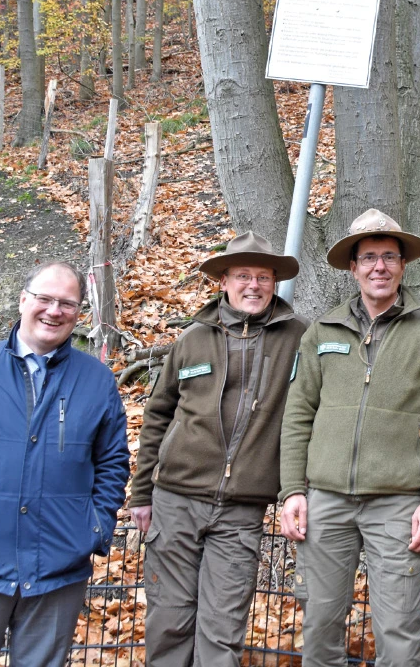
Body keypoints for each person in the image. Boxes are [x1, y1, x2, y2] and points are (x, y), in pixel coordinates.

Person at [279, 209, 420, 667]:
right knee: (319, 624)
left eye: (389, 257)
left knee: (399, 631)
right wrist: (293, 491)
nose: (379, 267)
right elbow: (298, 414)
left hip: (398, 505)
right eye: (368, 258)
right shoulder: (321, 331)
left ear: (403, 265)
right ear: (353, 267)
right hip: (326, 501)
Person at [129, 232, 308, 667]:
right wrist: (141, 494)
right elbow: (158, 416)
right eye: (243, 275)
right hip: (176, 500)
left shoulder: (299, 339)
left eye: (263, 276)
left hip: (242, 510)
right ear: (224, 281)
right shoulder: (193, 338)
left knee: (222, 630)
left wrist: (295, 488)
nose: (254, 285)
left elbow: (309, 417)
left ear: (275, 282)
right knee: (169, 622)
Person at [0, 261, 129, 667]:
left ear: (79, 312)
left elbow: (113, 462)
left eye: (67, 303)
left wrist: (95, 528)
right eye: (45, 299)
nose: (54, 311)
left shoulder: (97, 380)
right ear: (23, 300)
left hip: (58, 568)